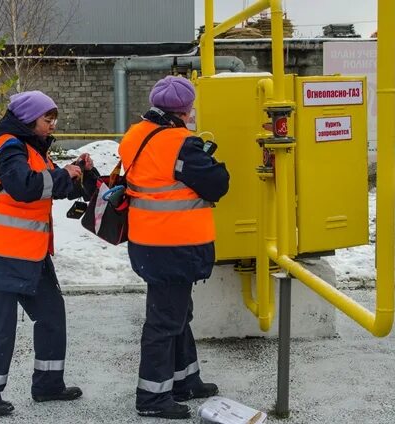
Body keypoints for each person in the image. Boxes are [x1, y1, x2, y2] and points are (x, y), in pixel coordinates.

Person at [0, 90, 97, 416]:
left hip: (30, 254)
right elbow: (24, 187)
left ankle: (49, 385)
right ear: (28, 119)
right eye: (47, 119)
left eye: (54, 119)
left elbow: (52, 186)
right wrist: (61, 175)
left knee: (51, 316)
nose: (53, 125)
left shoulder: (31, 149)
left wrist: (76, 173)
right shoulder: (8, 147)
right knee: (1, 326)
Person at [118, 76, 230, 419]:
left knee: (179, 315)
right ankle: (152, 399)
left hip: (148, 242)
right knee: (164, 322)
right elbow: (218, 184)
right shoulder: (181, 144)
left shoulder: (136, 135)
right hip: (174, 244)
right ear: (185, 110)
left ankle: (186, 380)